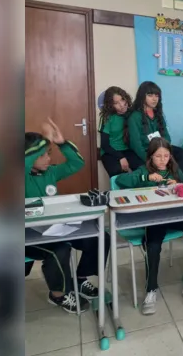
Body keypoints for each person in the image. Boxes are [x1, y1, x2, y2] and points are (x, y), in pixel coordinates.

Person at [25, 119, 109, 314]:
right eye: (43, 155)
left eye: (48, 154)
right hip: (29, 233)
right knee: (60, 249)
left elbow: (76, 163)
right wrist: (45, 141)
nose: (48, 158)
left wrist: (61, 143)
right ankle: (58, 295)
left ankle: (80, 279)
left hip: (55, 226)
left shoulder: (51, 172)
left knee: (99, 237)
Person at [114, 137, 183, 314]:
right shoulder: (143, 171)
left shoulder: (175, 170)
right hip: (155, 217)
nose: (163, 160)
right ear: (150, 158)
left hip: (177, 215)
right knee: (153, 245)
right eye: (158, 156)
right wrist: (146, 177)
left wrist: (179, 184)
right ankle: (151, 290)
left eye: (166, 156)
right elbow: (121, 181)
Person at [127, 81, 183, 177]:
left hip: (161, 148)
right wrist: (150, 158)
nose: (154, 99)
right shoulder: (135, 117)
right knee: (147, 167)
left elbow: (166, 136)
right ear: (142, 96)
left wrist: (164, 151)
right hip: (146, 152)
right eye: (150, 95)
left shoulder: (158, 115)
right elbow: (136, 144)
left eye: (157, 95)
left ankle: (177, 182)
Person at [99, 86, 141, 176]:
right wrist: (121, 158)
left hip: (128, 150)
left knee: (142, 169)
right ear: (111, 105)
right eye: (116, 103)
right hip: (110, 152)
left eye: (122, 100)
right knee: (118, 173)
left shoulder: (133, 114)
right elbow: (105, 145)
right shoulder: (107, 118)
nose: (122, 105)